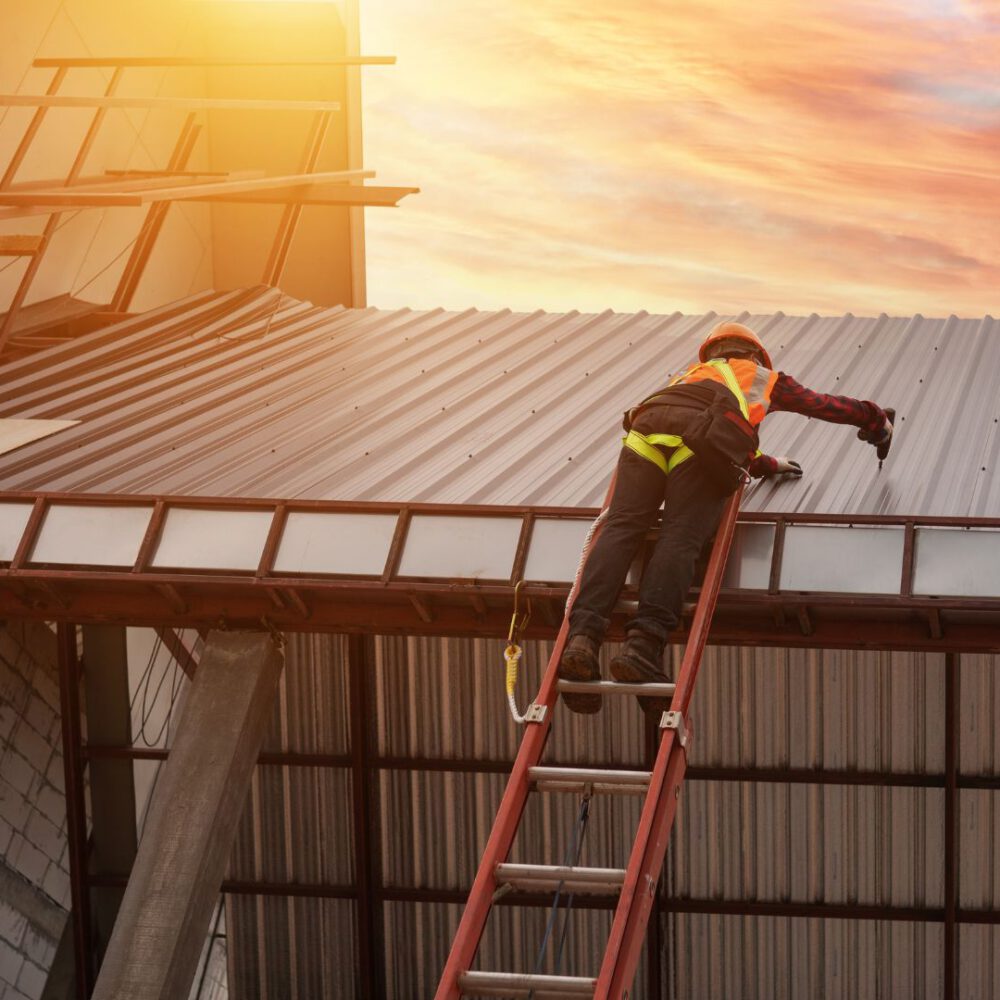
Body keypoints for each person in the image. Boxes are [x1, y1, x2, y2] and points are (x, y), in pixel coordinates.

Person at [558, 320, 894, 716]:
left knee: (621, 528)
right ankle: (641, 647)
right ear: (755, 354)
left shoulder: (690, 375)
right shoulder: (763, 376)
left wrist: (765, 463)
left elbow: (710, 426)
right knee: (680, 537)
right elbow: (822, 405)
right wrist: (875, 420)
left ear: (713, 351)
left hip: (645, 430)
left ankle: (581, 639)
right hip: (696, 443)